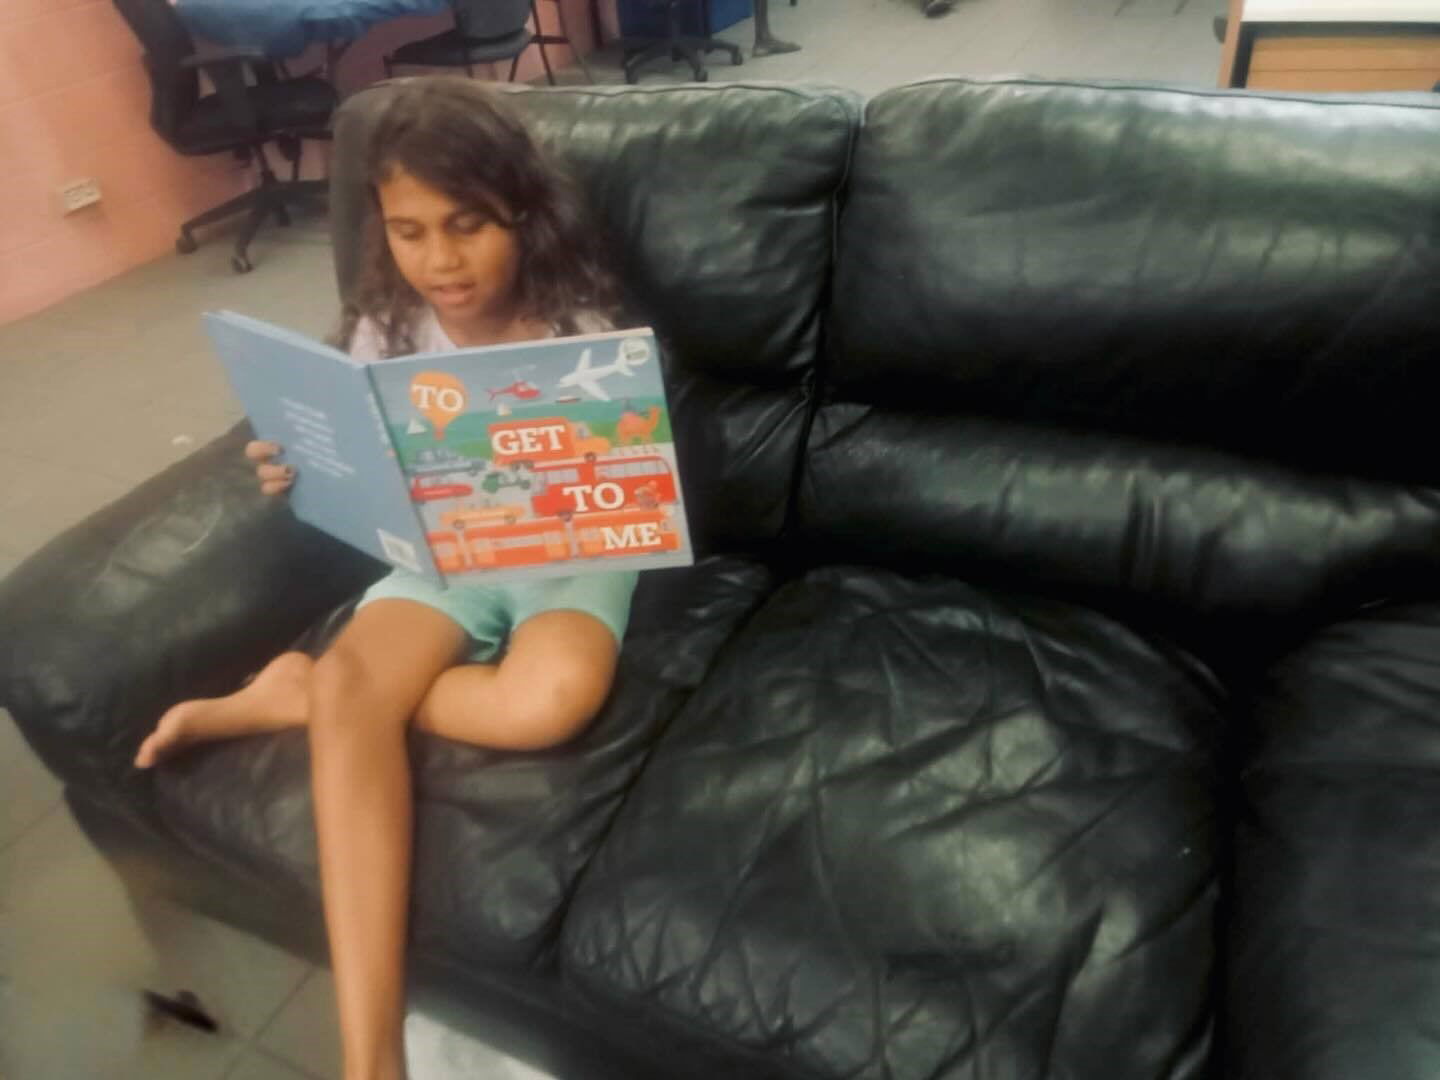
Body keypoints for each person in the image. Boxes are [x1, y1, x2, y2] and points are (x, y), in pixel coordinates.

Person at [133, 76, 637, 1080]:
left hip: (562, 565)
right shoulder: (387, 326)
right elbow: (338, 443)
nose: (440, 261)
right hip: (434, 556)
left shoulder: (577, 320)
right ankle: (373, 1059)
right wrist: (292, 463)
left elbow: (614, 469)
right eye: (409, 232)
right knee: (370, 692)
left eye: (468, 226)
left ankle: (300, 692)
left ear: (523, 215)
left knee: (550, 702)